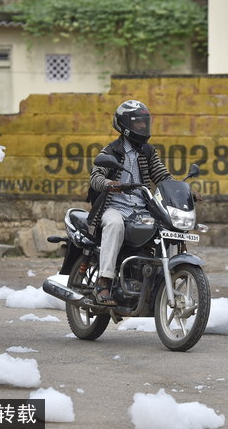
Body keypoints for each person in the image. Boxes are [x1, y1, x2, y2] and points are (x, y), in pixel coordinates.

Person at [87, 100, 174, 306]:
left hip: (141, 209)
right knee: (115, 225)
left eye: (145, 122)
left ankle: (161, 278)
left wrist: (182, 190)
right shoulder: (111, 151)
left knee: (166, 227)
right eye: (137, 123)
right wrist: (111, 184)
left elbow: (162, 176)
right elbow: (95, 178)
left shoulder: (148, 151)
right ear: (125, 125)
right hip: (112, 207)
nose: (143, 127)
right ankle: (104, 282)